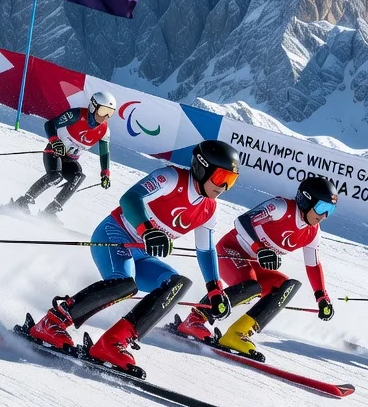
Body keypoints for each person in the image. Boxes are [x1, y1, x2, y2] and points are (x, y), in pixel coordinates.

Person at [24, 140, 238, 376]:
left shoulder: (209, 209)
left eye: (231, 181)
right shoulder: (171, 178)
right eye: (221, 178)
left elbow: (206, 250)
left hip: (142, 254)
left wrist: (215, 288)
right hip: (115, 235)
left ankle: (113, 343)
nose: (224, 187)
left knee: (177, 284)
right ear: (202, 168)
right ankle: (52, 323)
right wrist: (148, 230)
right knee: (125, 284)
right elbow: (130, 199)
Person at [172, 176, 338, 361]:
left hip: (254, 263)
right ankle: (195, 319)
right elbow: (243, 221)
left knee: (286, 285)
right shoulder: (281, 208)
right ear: (306, 200)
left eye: (330, 210)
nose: (324, 216)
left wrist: (321, 296)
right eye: (322, 208)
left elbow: (313, 264)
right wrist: (259, 248)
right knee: (251, 285)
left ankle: (238, 333)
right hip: (230, 251)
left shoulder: (313, 232)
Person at [12, 92, 115, 218]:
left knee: (79, 176)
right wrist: (55, 142)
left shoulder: (105, 130)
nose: (105, 116)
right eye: (103, 111)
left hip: (70, 160)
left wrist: (105, 173)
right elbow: (50, 124)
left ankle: (50, 211)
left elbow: (105, 152)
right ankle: (22, 202)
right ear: (93, 107)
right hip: (55, 151)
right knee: (56, 176)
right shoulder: (77, 115)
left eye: (110, 113)